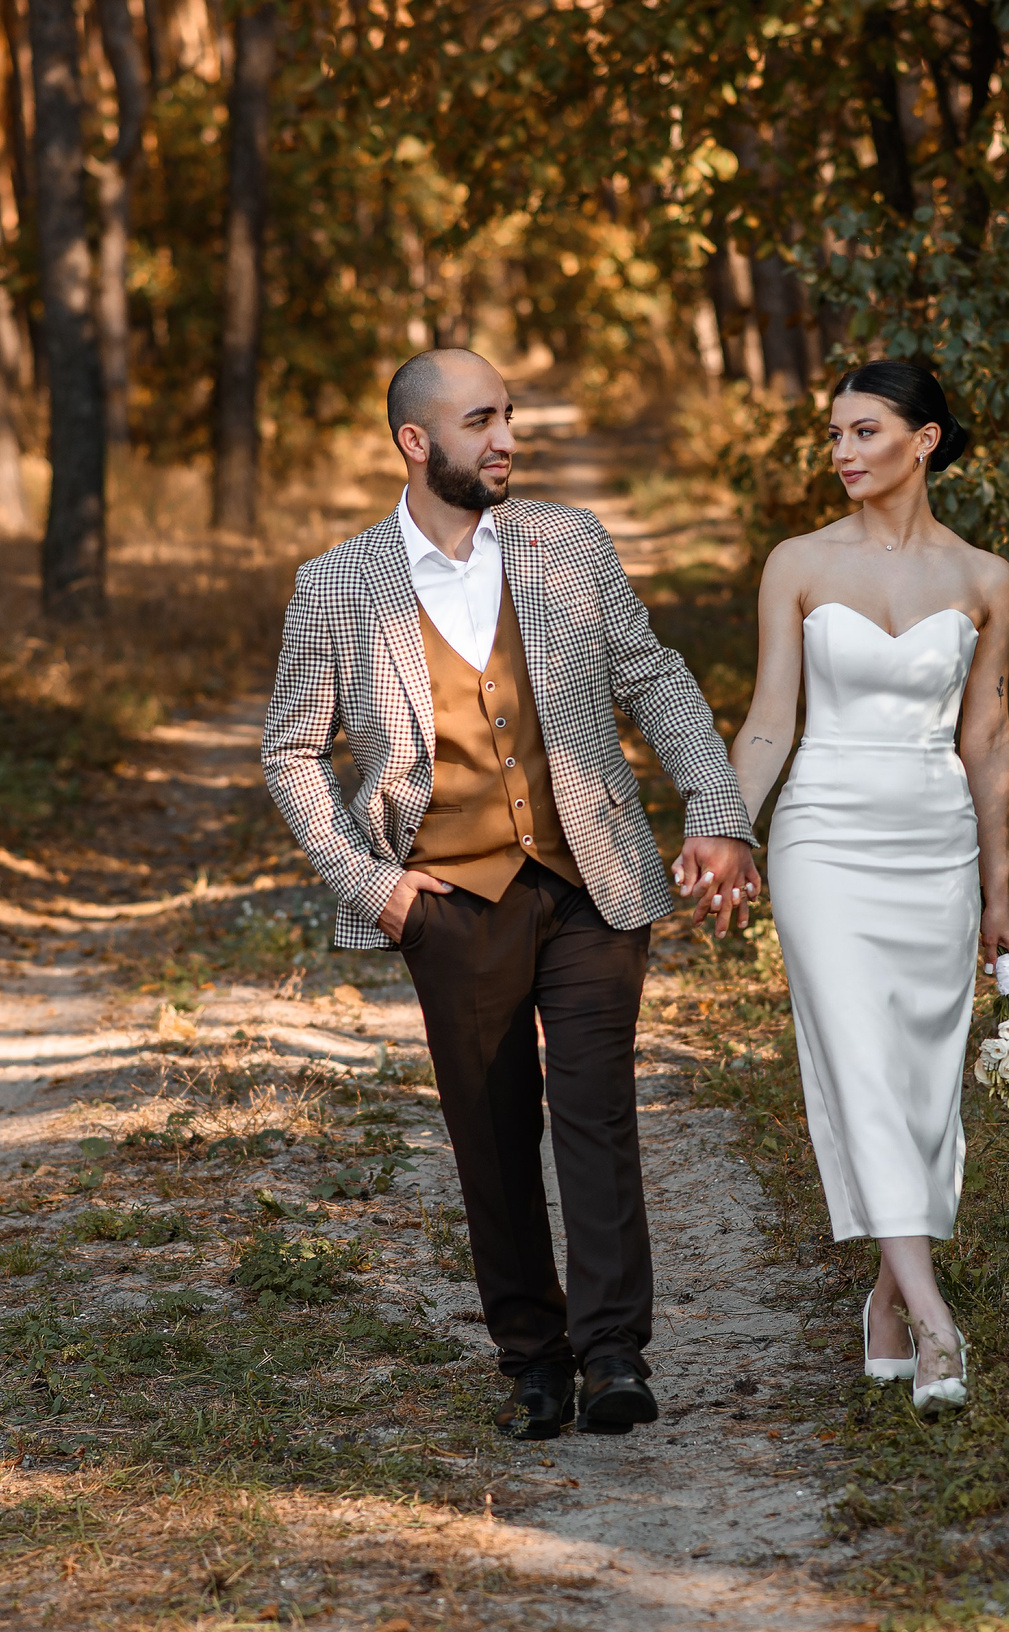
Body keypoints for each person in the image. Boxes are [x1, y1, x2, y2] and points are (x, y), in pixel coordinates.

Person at [261, 348, 763, 1441]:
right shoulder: (335, 585)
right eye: (481, 420)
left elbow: (653, 674)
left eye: (510, 416)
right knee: (489, 1132)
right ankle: (532, 1360)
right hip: (450, 898)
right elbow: (289, 752)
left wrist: (715, 808)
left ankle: (614, 1349)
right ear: (414, 442)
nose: (506, 439)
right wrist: (371, 882)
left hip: (589, 877)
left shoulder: (564, 543)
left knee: (596, 1111)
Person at [726, 360, 1009, 1415]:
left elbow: (986, 738)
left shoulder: (985, 578)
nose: (842, 452)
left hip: (935, 843)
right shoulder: (796, 563)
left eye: (864, 432)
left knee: (921, 1081)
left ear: (924, 441)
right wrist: (723, 826)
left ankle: (886, 1300)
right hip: (822, 839)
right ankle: (935, 1321)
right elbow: (769, 720)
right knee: (854, 1057)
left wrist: (997, 889)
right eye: (834, 435)